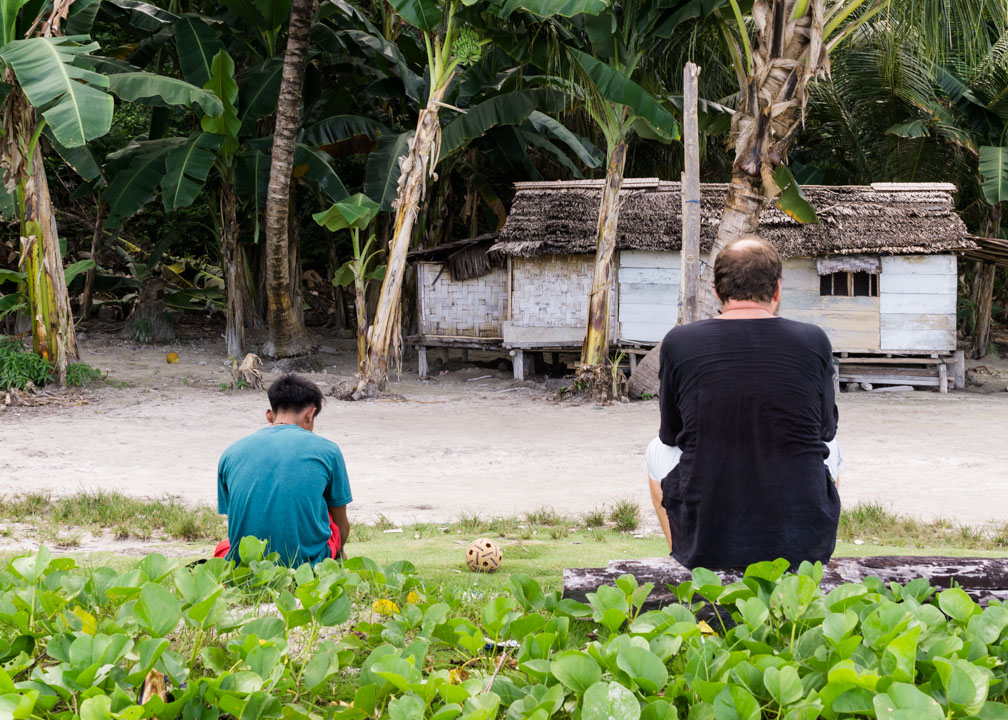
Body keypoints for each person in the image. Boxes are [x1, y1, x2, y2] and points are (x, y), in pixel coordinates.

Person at [651, 235, 841, 569]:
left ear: (717, 292)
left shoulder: (680, 342)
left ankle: (683, 553)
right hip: (801, 540)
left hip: (709, 527)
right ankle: (811, 552)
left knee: (656, 451)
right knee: (833, 446)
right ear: (777, 291)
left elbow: (671, 433)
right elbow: (826, 429)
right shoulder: (813, 340)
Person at [215, 374, 352, 565]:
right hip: (305, 566)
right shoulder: (328, 450)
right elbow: (341, 525)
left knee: (227, 542)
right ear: (310, 415)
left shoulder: (230, 453)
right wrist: (340, 551)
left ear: (269, 415)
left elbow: (239, 520)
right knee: (331, 518)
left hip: (246, 567)